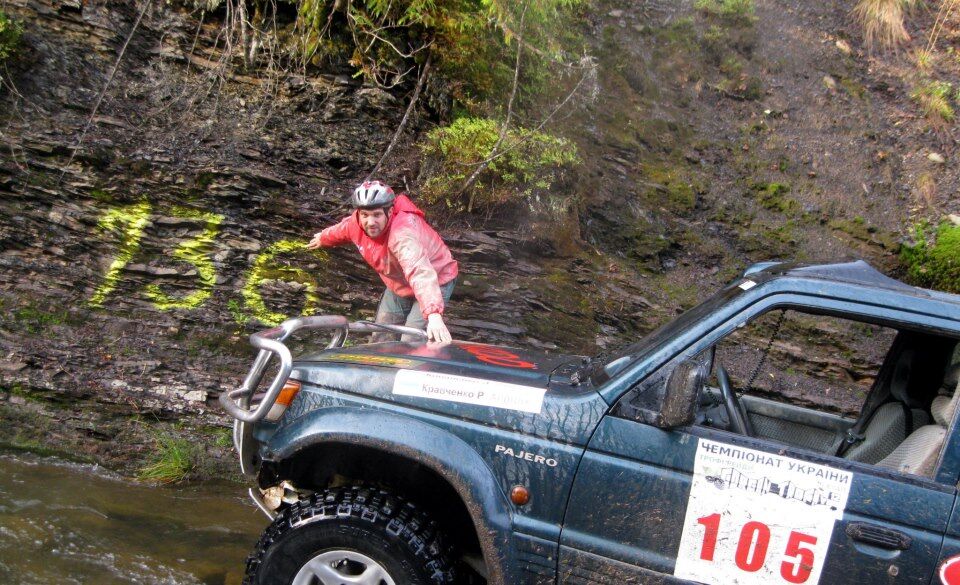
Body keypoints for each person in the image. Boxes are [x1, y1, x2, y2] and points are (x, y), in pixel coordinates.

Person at [307, 180, 458, 343]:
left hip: (435, 278)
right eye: (365, 215)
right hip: (400, 284)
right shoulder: (356, 224)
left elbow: (419, 271)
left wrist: (434, 314)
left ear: (390, 212)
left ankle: (413, 366)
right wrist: (323, 238)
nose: (370, 222)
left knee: (411, 339)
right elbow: (342, 230)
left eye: (377, 215)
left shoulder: (402, 234)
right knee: (381, 334)